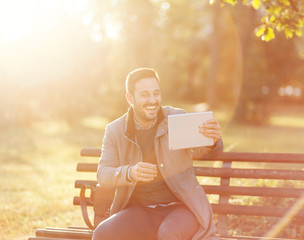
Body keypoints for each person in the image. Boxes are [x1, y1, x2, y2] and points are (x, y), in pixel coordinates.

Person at [92, 68, 223, 240]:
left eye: (156, 93)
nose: (153, 100)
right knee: (102, 233)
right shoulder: (115, 130)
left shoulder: (176, 119)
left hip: (182, 208)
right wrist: (130, 172)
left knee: (168, 234)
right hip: (141, 211)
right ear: (130, 98)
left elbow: (209, 154)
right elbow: (103, 174)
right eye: (145, 95)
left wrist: (212, 140)